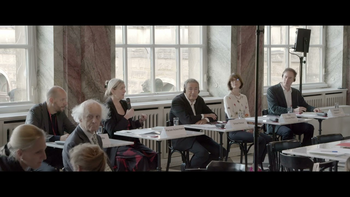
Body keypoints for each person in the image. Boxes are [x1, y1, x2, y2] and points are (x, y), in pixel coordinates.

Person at [169, 78, 226, 168]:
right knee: (202, 153)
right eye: (190, 89)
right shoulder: (177, 101)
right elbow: (186, 120)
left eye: (196, 89)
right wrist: (204, 115)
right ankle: (189, 169)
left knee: (221, 152)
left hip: (196, 135)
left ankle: (200, 167)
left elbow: (214, 116)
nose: (193, 92)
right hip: (180, 137)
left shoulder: (199, 100)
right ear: (185, 89)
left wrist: (206, 120)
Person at [102, 78, 158, 171]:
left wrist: (139, 121)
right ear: (113, 90)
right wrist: (126, 117)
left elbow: (129, 126)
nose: (125, 90)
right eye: (122, 88)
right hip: (117, 145)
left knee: (154, 155)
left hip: (131, 141)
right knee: (140, 158)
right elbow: (112, 132)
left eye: (124, 88)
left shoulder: (124, 104)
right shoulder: (106, 107)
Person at [223, 73, 272, 171]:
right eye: (232, 80)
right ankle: (255, 166)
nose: (235, 82)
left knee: (268, 139)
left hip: (246, 128)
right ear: (229, 83)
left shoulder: (244, 97)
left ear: (240, 82)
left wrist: (250, 127)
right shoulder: (227, 98)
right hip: (235, 130)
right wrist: (246, 128)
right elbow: (231, 116)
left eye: (237, 80)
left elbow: (247, 115)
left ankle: (258, 163)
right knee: (260, 139)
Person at [25, 85, 76, 171]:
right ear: (51, 100)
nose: (66, 103)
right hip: (40, 155)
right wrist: (59, 138)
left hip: (58, 153)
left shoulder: (60, 113)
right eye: (62, 100)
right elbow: (33, 135)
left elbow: (72, 129)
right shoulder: (35, 111)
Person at [266, 68, 320, 146]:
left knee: (309, 128)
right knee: (287, 132)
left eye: (290, 78)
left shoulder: (296, 92)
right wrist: (293, 110)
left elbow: (305, 105)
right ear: (282, 77)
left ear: (294, 80)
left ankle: (304, 151)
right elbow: (274, 109)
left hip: (292, 121)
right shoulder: (272, 90)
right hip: (276, 122)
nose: (287, 80)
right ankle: (285, 155)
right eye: (285, 77)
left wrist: (313, 109)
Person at [62, 99, 113, 172]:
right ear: (80, 119)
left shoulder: (98, 138)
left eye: (97, 117)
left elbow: (105, 164)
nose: (94, 121)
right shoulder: (73, 142)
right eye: (90, 116)